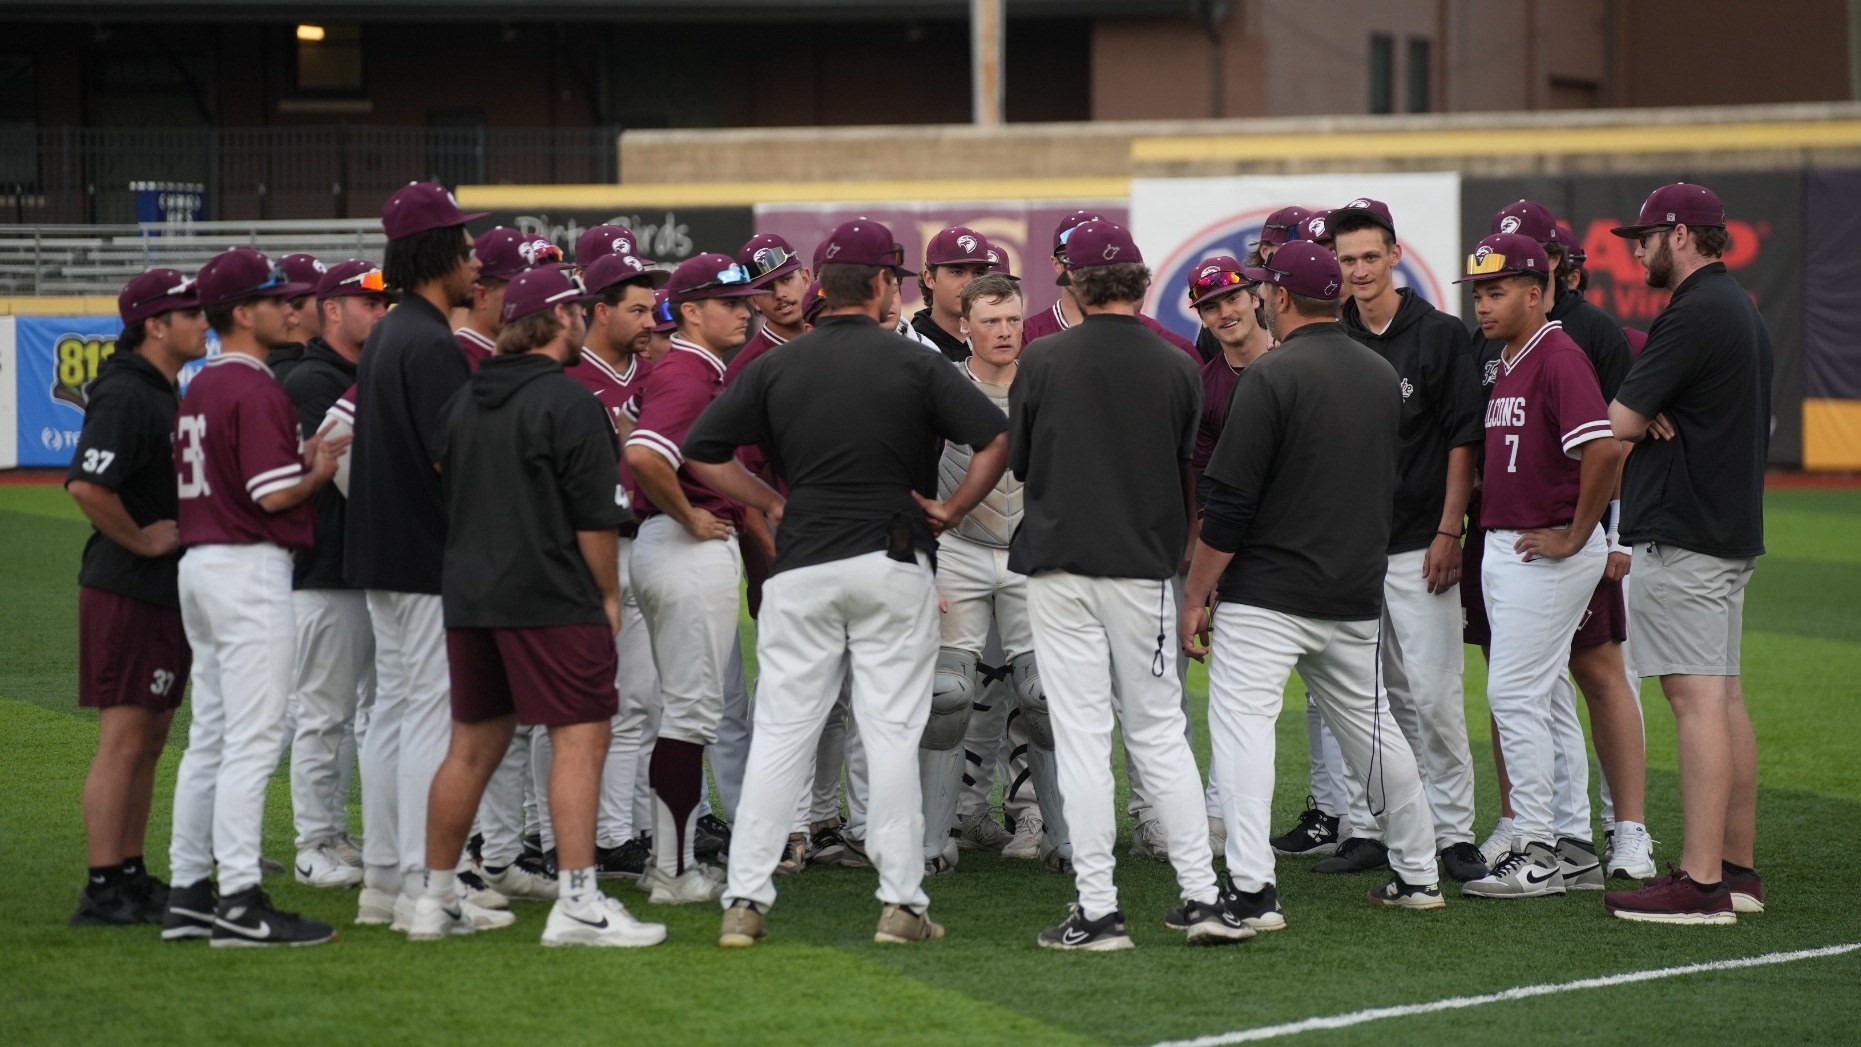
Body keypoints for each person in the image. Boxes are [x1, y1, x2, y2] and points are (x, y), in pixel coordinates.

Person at [677, 217, 1009, 947]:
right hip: (892, 556)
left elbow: (699, 448)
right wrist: (951, 510)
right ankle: (900, 903)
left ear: (821, 287)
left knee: (782, 733)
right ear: (887, 283)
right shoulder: (913, 362)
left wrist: (765, 500)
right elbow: (994, 436)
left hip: (802, 562)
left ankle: (744, 900)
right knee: (888, 732)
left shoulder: (775, 364)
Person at [1182, 240, 1447, 920]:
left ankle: (1249, 889)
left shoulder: (1268, 376)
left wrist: (1195, 591)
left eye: (1268, 287)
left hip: (1268, 592)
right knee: (1376, 732)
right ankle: (1418, 873)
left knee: (1243, 732)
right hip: (1353, 588)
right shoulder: (1376, 373)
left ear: (1280, 297)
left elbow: (1231, 503)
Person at [1009, 219, 1248, 950]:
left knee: (1083, 740)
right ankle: (1202, 900)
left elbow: (1020, 463)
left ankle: (1099, 910)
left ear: (1074, 282)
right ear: (1140, 281)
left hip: (1058, 564)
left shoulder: (1041, 357)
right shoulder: (1178, 361)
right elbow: (1184, 464)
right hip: (1142, 571)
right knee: (1159, 735)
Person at [410, 265, 665, 948]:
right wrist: (608, 595)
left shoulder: (463, 400)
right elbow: (594, 519)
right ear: (557, 319)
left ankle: (434, 898)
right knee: (579, 740)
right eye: (576, 309)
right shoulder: (569, 401)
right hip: (551, 594)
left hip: (470, 595)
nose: (583, 318)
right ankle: (579, 900)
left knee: (468, 748)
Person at [1467, 201, 1653, 884]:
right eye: (1478, 293)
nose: (1483, 305)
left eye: (1496, 291)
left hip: (1540, 550)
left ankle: (1538, 850)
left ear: (1536, 289)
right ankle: (1572, 846)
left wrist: (1579, 533)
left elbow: (1603, 450)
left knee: (1513, 695)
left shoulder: (1558, 355)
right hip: (1509, 544)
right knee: (1537, 695)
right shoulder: (1510, 356)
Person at [162, 248, 344, 946]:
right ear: (242, 312)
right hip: (247, 568)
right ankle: (238, 898)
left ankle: (187, 890)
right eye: (275, 299)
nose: (289, 308)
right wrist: (320, 470)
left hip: (202, 563)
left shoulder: (202, 384)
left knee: (211, 734)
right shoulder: (255, 387)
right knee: (255, 736)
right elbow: (271, 496)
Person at [1604, 183, 1771, 924]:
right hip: (1724, 529)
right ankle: (1733, 868)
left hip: (1683, 532)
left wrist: (1636, 411)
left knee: (1694, 699)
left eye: (1642, 237)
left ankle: (1700, 882)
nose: (1635, 250)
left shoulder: (1691, 311)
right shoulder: (1735, 307)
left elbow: (1613, 425)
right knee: (1722, 695)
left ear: (1677, 235)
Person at [346, 181, 495, 930]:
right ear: (438, 252)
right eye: (465, 248)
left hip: (383, 553)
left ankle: (383, 879)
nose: (475, 261)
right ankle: (418, 882)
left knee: (396, 717)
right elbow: (453, 460)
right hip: (427, 556)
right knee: (429, 721)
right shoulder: (430, 340)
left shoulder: (390, 333)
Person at [1325, 198, 1485, 884]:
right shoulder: (1331, 334)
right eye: (1346, 259)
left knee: (1432, 695)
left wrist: (1450, 529)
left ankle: (1452, 832)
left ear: (1394, 254)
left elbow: (1461, 439)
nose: (1358, 270)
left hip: (1421, 540)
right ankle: (1372, 826)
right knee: (1363, 697)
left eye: (1368, 256)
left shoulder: (1441, 334)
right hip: (1349, 547)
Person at [66, 269, 208, 927]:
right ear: (156, 323)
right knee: (125, 737)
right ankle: (102, 885)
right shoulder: (126, 393)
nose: (204, 321)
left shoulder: (158, 388)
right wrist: (145, 541)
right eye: (192, 312)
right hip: (127, 586)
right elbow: (88, 486)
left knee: (150, 735)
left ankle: (128, 869)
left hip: (153, 590)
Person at [622, 252, 760, 904]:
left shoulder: (690, 367)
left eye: (744, 300)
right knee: (689, 713)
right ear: (691, 310)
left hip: (671, 545)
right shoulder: (685, 368)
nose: (744, 309)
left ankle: (666, 863)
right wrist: (689, 513)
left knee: (682, 710)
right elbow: (645, 454)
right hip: (681, 546)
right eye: (728, 301)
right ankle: (672, 872)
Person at [916, 273, 1060, 875]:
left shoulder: (1049, 383)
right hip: (960, 548)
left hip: (1035, 551)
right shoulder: (941, 387)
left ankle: (1063, 834)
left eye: (1012, 319)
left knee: (1044, 696)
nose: (1004, 331)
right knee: (948, 695)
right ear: (965, 325)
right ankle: (932, 838)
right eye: (990, 321)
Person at [281, 260, 392, 889]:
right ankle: (311, 843)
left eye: (382, 305)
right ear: (332, 309)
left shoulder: (358, 374)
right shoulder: (311, 381)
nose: (380, 313)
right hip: (324, 567)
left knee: (362, 713)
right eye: (368, 303)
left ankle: (337, 834)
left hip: (365, 565)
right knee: (323, 714)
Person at [563, 249, 669, 880]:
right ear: (598, 312)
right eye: (636, 308)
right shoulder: (571, 375)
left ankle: (627, 830)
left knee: (648, 701)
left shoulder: (657, 370)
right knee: (606, 704)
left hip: (649, 540)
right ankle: (602, 835)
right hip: (594, 547)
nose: (652, 319)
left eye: (653, 305)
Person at [1019, 210, 1200, 361]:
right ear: (1056, 263)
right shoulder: (1026, 337)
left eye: (1095, 262)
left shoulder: (1172, 348)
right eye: (1071, 259)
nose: (1086, 270)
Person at [457, 227, 565, 368]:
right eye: (517, 289)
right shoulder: (453, 358)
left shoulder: (522, 355)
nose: (529, 300)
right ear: (482, 296)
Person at [911, 226, 996, 361]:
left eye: (979, 273)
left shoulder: (999, 340)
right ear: (929, 279)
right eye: (957, 272)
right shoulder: (910, 343)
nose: (970, 283)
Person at [269, 253, 326, 381]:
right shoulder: (284, 376)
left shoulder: (325, 362)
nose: (330, 306)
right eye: (322, 299)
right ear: (291, 312)